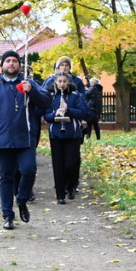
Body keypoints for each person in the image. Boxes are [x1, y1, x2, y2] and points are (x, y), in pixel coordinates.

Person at [0, 49, 51, 229]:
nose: (11, 64)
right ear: (3, 65)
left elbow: (47, 103)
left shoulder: (29, 83)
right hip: (2, 139)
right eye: (7, 61)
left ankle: (22, 200)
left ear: (19, 64)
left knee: (29, 170)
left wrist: (32, 91)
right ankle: (7, 215)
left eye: (14, 61)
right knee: (6, 177)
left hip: (25, 139)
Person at [44, 73, 90, 203]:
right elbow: (46, 116)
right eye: (59, 81)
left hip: (73, 133)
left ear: (68, 82)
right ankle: (60, 195)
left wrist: (68, 110)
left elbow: (84, 113)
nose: (62, 84)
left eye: (64, 81)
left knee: (71, 164)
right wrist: (55, 113)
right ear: (55, 83)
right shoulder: (51, 97)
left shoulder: (76, 96)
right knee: (58, 165)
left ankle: (71, 185)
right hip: (56, 134)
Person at [84, 77, 102, 142]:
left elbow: (86, 95)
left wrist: (86, 89)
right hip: (96, 109)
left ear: (93, 83)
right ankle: (98, 138)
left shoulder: (92, 89)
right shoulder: (99, 89)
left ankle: (88, 138)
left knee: (89, 124)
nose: (90, 83)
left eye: (91, 82)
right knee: (96, 125)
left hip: (91, 109)